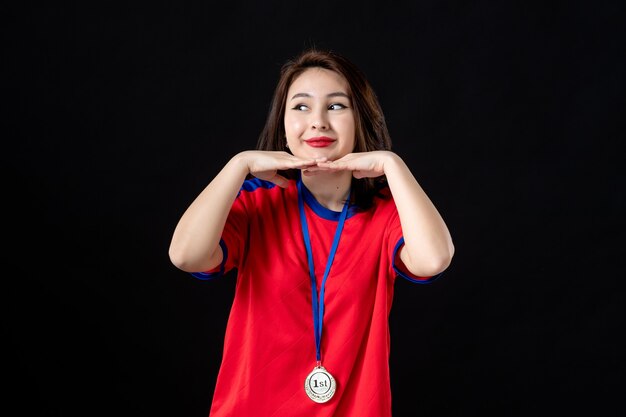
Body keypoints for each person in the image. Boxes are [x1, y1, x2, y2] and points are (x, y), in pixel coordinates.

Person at [168, 48, 454, 417]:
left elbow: (434, 259)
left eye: (336, 106)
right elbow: (185, 255)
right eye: (300, 107)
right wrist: (238, 165)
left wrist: (392, 164)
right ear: (284, 125)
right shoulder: (258, 204)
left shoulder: (387, 213)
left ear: (360, 121)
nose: (317, 122)